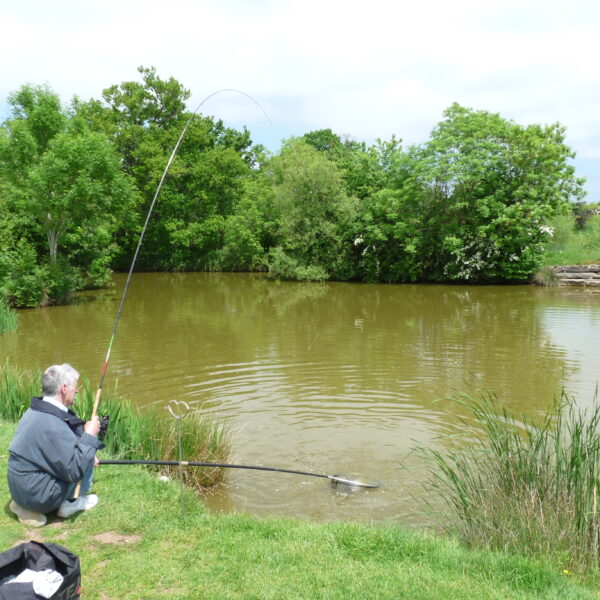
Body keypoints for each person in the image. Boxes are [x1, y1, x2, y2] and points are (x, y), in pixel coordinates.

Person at [7, 364, 103, 527]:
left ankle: (23, 505)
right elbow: (73, 470)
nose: (77, 391)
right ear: (64, 388)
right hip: (39, 496)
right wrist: (89, 436)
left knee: (84, 451)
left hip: (18, 489)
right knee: (83, 452)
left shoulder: (35, 411)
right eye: (75, 386)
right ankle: (72, 503)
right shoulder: (53, 423)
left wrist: (86, 448)